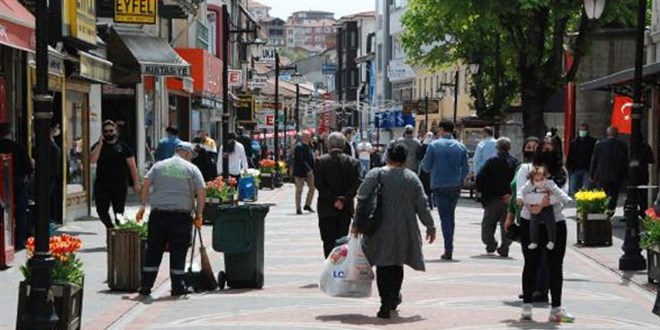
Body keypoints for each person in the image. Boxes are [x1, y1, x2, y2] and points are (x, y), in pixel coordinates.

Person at [350, 141, 436, 319]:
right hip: (403, 228)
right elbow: (422, 204)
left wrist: (357, 224)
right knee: (397, 263)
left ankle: (384, 303)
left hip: (379, 227)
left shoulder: (375, 174)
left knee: (383, 265)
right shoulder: (411, 178)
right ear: (404, 159)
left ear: (387, 156)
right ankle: (393, 297)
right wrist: (430, 225)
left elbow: (362, 198)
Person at [137, 142, 206, 296]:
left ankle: (146, 285)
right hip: (181, 217)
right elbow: (201, 193)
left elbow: (146, 183)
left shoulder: (159, 166)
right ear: (187, 153)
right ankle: (177, 286)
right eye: (191, 156)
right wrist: (199, 214)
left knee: (153, 250)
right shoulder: (192, 169)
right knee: (178, 251)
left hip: (158, 215)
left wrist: (142, 205)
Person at [516, 139, 574, 323]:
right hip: (529, 221)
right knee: (530, 263)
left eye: (552, 149)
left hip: (555, 222)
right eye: (544, 149)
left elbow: (562, 194)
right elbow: (521, 192)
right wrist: (536, 203)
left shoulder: (561, 172)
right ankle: (527, 306)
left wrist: (544, 203)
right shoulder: (526, 169)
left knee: (555, 266)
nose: (547, 152)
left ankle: (556, 308)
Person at [421, 120, 470, 260]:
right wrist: (460, 179)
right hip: (455, 185)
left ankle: (448, 248)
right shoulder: (460, 146)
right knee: (451, 216)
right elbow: (466, 169)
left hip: (439, 184)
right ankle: (450, 245)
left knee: (445, 218)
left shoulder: (434, 146)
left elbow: (425, 167)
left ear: (441, 129)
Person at [314, 132, 361, 258]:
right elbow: (356, 184)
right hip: (345, 209)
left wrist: (334, 200)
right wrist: (343, 200)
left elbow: (319, 184)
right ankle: (339, 269)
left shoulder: (320, 161)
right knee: (342, 241)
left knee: (328, 241)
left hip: (326, 209)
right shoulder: (353, 162)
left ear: (328, 144)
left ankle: (329, 266)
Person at [90, 120, 140, 229]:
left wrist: (136, 183)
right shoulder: (98, 146)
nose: (108, 133)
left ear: (116, 131)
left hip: (119, 184)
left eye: (111, 131)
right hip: (102, 184)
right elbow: (92, 160)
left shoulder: (124, 147)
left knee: (119, 212)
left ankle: (118, 236)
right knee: (101, 210)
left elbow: (132, 166)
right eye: (106, 131)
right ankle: (110, 228)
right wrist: (99, 144)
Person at [476, 137, 520, 257]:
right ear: (509, 148)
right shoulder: (515, 162)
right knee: (507, 224)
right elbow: (519, 181)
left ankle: (490, 243)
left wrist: (481, 192)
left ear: (497, 148)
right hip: (508, 199)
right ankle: (505, 247)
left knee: (488, 224)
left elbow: (480, 177)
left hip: (492, 199)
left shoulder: (490, 161)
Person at [518, 166, 572, 251]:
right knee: (533, 224)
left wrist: (566, 199)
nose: (540, 182)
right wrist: (520, 198)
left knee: (550, 223)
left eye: (542, 179)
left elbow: (558, 192)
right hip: (534, 207)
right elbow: (522, 191)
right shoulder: (530, 184)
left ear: (545, 177)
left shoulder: (549, 183)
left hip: (548, 207)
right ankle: (534, 241)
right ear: (532, 180)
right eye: (537, 180)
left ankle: (552, 241)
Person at [0, 123, 32, 246]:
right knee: (21, 212)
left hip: (2, 184)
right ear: (11, 133)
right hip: (18, 182)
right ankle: (19, 239)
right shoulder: (18, 147)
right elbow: (28, 167)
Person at [590, 126, 628, 217]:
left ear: (607, 134)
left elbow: (594, 160)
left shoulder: (599, 145)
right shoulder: (622, 146)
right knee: (614, 196)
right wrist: (625, 176)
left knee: (602, 195)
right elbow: (625, 162)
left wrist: (591, 175)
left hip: (602, 175)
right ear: (617, 134)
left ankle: (602, 212)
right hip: (616, 176)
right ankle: (611, 212)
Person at [566, 123, 596, 195]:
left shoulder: (592, 142)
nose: (582, 131)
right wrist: (569, 167)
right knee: (573, 190)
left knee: (587, 190)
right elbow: (570, 155)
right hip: (575, 169)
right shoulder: (574, 142)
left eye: (584, 130)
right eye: (581, 130)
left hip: (587, 169)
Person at [293, 131, 316, 215]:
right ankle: (298, 208)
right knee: (299, 190)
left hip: (310, 172)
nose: (308, 137)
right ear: (303, 137)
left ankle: (307, 204)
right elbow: (300, 160)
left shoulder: (309, 146)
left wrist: (313, 169)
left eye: (309, 136)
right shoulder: (299, 147)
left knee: (312, 187)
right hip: (300, 172)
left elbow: (311, 159)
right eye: (306, 136)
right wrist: (308, 170)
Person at [419, 132, 435, 209]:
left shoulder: (423, 145)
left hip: (424, 168)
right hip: (433, 168)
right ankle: (432, 202)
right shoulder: (435, 145)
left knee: (424, 185)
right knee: (431, 186)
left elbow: (419, 156)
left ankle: (426, 202)